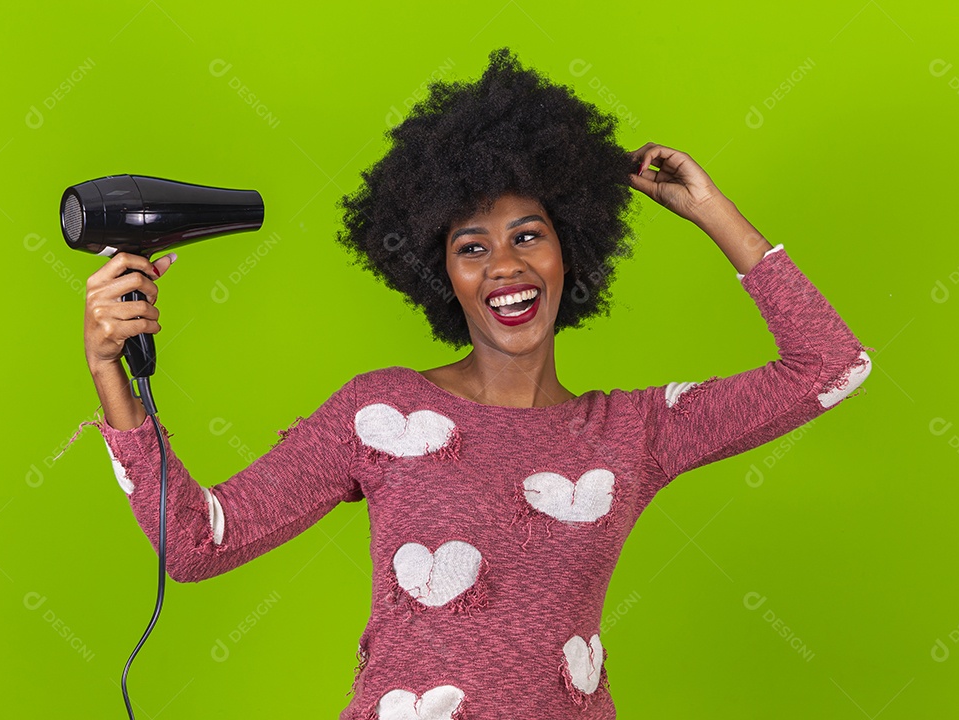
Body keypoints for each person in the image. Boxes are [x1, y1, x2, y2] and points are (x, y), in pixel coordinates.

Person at [84, 47, 873, 719]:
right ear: (442, 274)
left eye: (528, 236)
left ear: (570, 252)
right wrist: (108, 371)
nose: (504, 265)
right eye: (472, 247)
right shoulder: (380, 410)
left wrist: (714, 214)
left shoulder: (633, 432)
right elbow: (197, 543)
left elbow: (831, 366)